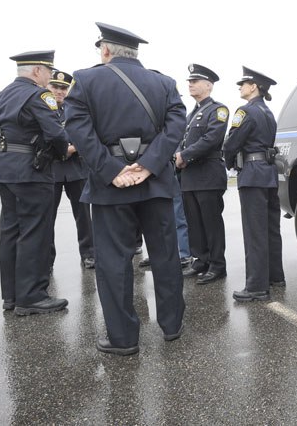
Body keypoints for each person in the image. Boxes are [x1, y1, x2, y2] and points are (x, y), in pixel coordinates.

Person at [63, 23, 186, 356]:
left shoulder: (86, 80)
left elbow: (77, 128)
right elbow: (177, 125)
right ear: (135, 52)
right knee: (165, 256)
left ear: (105, 50)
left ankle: (123, 338)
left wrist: (112, 170)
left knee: (114, 262)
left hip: (110, 188)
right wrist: (150, 164)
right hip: (156, 182)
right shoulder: (165, 83)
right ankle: (172, 326)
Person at [0, 51, 70, 316]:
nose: (50, 78)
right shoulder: (39, 95)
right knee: (35, 232)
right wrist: (62, 151)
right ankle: (31, 297)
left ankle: (11, 296)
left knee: (10, 231)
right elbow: (56, 132)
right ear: (37, 71)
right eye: (49, 72)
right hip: (31, 171)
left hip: (1, 170)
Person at [223, 66, 284, 302]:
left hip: (252, 174)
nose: (240, 87)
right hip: (268, 173)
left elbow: (231, 143)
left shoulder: (246, 111)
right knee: (270, 229)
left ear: (254, 87)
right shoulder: (268, 112)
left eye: (243, 83)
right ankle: (275, 276)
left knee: (254, 232)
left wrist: (229, 162)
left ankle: (257, 286)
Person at [175, 64, 229, 285]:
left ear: (208, 85)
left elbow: (211, 139)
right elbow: (183, 139)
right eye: (189, 81)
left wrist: (185, 156)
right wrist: (178, 153)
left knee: (211, 222)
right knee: (194, 222)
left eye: (195, 81)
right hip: (190, 177)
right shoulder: (192, 113)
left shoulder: (218, 110)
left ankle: (217, 264)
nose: (190, 84)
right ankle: (201, 260)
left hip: (208, 175)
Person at [47, 70, 95, 270]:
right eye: (55, 87)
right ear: (48, 88)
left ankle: (89, 254)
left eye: (63, 88)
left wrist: (73, 147)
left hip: (76, 167)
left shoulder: (76, 109)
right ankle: (46, 261)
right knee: (47, 218)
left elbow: (87, 131)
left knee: (83, 216)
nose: (59, 91)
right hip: (51, 169)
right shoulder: (41, 107)